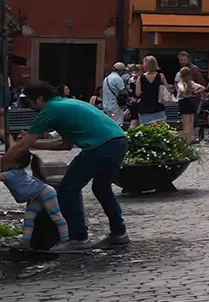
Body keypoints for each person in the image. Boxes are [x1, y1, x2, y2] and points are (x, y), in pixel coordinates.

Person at [4, 80, 129, 249]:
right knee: (101, 187)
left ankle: (79, 238)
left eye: (30, 102)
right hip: (118, 141)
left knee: (68, 188)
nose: (30, 107)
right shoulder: (65, 105)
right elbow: (66, 145)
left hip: (100, 146)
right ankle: (119, 233)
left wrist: (3, 163)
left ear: (40, 98)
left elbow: (21, 147)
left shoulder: (50, 110)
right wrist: (35, 144)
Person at [4, 152, 67, 247]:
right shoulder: (15, 171)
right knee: (29, 217)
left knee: (56, 216)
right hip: (38, 195)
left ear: (16, 164)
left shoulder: (11, 174)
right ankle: (25, 242)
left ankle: (65, 240)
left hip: (46, 193)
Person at [132, 56, 170, 126]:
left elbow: (137, 93)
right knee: (161, 128)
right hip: (158, 106)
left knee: (146, 129)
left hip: (144, 107)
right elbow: (167, 89)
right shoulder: (161, 76)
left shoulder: (141, 78)